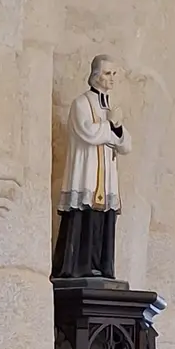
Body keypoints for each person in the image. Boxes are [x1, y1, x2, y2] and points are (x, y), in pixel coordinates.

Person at [53, 55, 132, 280]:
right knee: (84, 214)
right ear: (95, 75)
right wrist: (110, 126)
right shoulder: (81, 103)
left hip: (106, 173)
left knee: (104, 217)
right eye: (108, 73)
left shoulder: (111, 107)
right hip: (86, 171)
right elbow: (89, 132)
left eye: (115, 74)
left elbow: (126, 144)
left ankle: (102, 265)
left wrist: (116, 125)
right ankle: (78, 266)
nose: (112, 78)